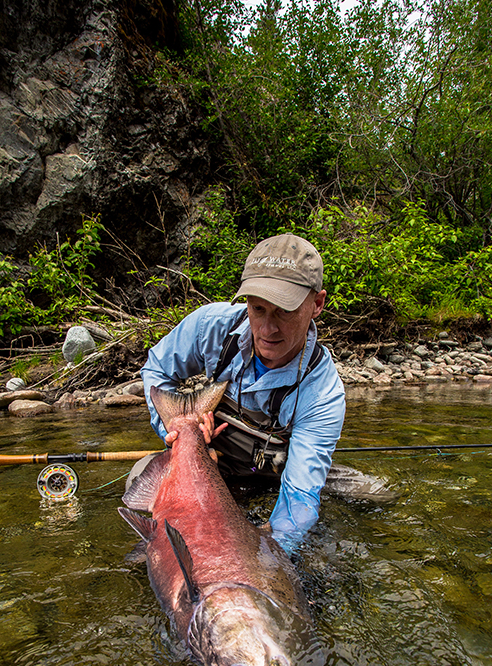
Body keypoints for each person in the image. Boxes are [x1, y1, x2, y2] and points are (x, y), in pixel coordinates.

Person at [139, 233, 346, 553]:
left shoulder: (323, 393)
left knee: (371, 494)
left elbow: (298, 499)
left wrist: (268, 556)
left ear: (317, 304)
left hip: (277, 475)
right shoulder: (210, 326)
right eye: (258, 308)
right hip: (212, 462)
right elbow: (157, 370)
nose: (267, 329)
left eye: (284, 311)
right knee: (139, 481)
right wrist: (175, 428)